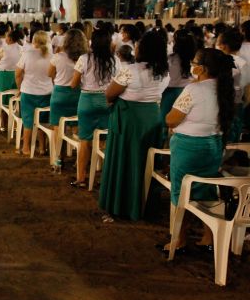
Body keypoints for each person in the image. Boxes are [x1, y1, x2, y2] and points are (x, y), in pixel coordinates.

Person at [163, 48, 234, 253]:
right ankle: (208, 237)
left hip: (188, 146)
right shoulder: (226, 88)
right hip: (214, 146)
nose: (191, 66)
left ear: (201, 68)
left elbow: (171, 119)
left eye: (194, 63)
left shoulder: (194, 90)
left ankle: (179, 239)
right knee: (206, 188)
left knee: (179, 192)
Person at [100, 29, 169, 221]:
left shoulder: (131, 71)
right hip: (152, 118)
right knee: (145, 162)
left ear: (143, 49)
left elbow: (109, 93)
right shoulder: (163, 71)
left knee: (124, 160)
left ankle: (121, 206)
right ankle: (146, 205)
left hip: (129, 119)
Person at [70, 29, 116, 187]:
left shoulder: (84, 58)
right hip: (107, 100)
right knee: (105, 140)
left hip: (87, 101)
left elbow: (73, 83)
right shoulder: (115, 60)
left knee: (85, 140)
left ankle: (81, 178)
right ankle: (105, 177)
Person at [48, 29, 86, 170]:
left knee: (58, 128)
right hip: (78, 94)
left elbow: (49, 73)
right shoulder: (85, 57)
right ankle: (79, 159)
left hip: (60, 94)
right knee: (77, 128)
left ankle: (58, 159)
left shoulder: (58, 57)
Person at [16, 31, 53, 155]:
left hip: (28, 91)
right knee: (42, 122)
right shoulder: (51, 56)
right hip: (47, 92)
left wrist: (19, 88)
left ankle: (26, 148)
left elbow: (17, 73)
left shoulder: (27, 54)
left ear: (34, 42)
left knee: (28, 120)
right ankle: (42, 148)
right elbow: (54, 76)